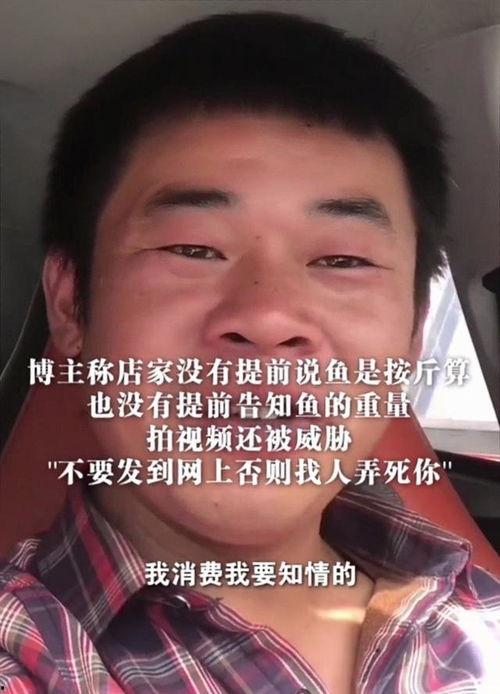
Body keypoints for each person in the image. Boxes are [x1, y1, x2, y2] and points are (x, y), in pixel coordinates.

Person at [0, 11, 499, 694]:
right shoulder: (29, 655)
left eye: (343, 260)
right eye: (192, 248)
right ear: (69, 304)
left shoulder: (477, 610)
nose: (268, 318)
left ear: (413, 337)